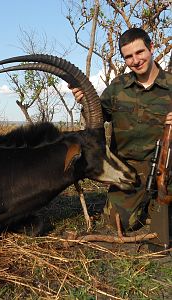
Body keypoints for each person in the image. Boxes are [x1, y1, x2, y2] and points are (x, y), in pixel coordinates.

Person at [70, 28, 172, 233]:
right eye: (128, 56)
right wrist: (85, 102)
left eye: (140, 52)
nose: (136, 60)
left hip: (167, 167)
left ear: (151, 48)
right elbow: (98, 118)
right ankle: (146, 206)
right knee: (117, 223)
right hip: (127, 171)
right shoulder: (118, 87)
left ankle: (155, 206)